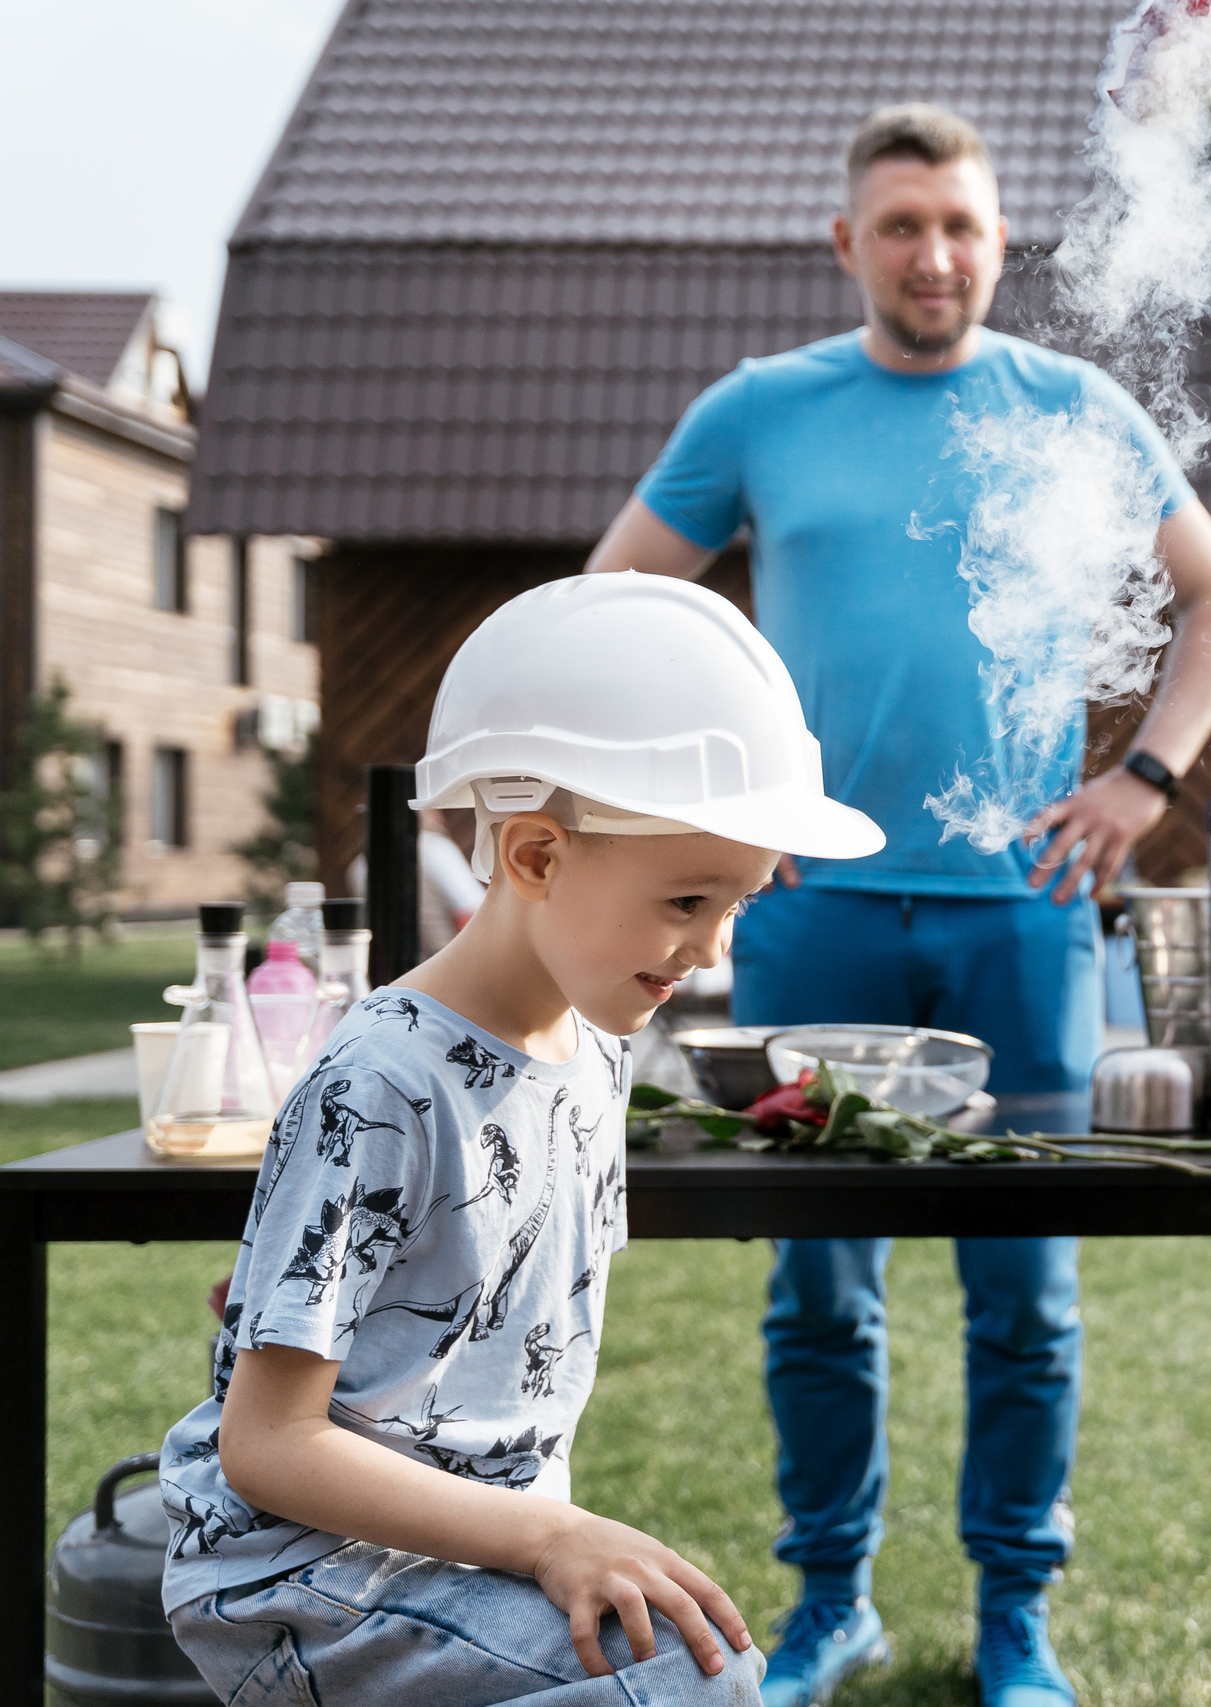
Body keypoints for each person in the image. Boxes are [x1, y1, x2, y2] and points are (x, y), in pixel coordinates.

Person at [583, 103, 1211, 1707]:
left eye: (959, 224)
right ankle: (832, 1603)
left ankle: (1017, 1614)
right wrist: (715, 810)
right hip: (813, 914)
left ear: (1000, 238)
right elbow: (610, 609)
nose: (933, 254)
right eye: (900, 225)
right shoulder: (763, 410)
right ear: (848, 244)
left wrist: (1144, 781)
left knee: (1025, 1290)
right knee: (821, 1283)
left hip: (1019, 913)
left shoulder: (1077, 408)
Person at [158, 573, 883, 1705]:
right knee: (693, 1682)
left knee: (684, 1665)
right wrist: (550, 1542)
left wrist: (547, 1529)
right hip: (299, 1565)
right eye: (687, 902)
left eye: (737, 905)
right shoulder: (384, 1077)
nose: (712, 948)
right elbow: (268, 1447)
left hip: (471, 1545)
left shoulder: (592, 1044)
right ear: (538, 858)